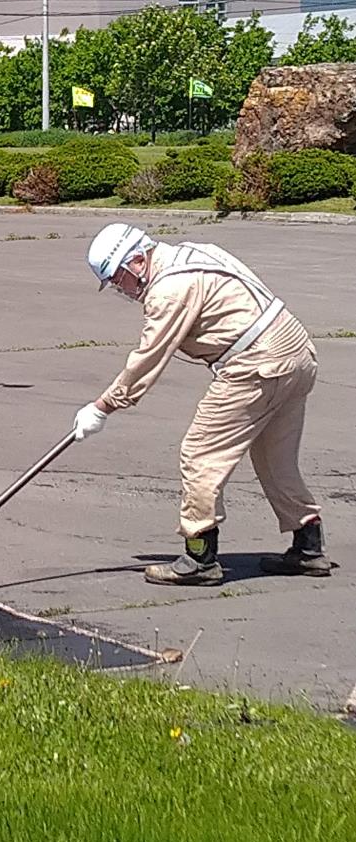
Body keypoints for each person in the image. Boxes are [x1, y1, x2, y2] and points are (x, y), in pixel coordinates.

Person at [74, 222, 331, 585]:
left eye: (118, 279)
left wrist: (102, 407)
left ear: (137, 261)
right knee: (274, 456)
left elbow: (148, 359)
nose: (122, 290)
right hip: (296, 353)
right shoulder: (194, 251)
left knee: (199, 454)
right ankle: (308, 545)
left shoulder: (168, 290)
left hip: (255, 365)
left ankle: (200, 558)